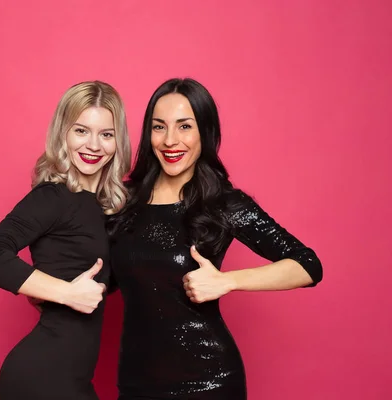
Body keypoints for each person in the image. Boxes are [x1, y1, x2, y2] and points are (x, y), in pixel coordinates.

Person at [107, 78, 323, 400]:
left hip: (209, 379)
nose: (170, 140)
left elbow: (308, 265)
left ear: (204, 132)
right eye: (159, 127)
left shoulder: (222, 203)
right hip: (136, 381)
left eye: (184, 127)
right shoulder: (124, 199)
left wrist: (228, 281)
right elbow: (105, 278)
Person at [0, 80, 131, 400]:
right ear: (64, 133)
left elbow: (105, 281)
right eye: (81, 130)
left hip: (71, 379)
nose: (94, 145)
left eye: (106, 134)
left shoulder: (106, 207)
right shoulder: (53, 197)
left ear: (118, 142)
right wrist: (67, 293)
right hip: (42, 378)